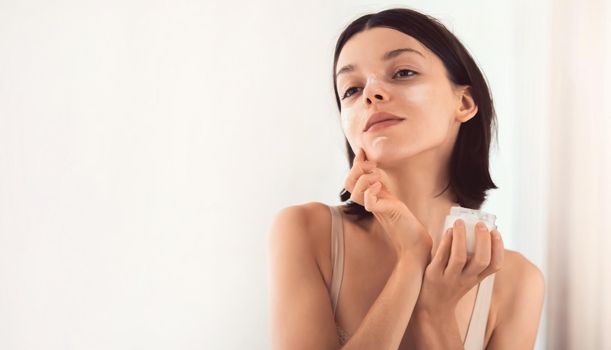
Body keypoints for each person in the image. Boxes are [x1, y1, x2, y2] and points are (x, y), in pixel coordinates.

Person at [267, 7, 545, 350]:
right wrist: (411, 260)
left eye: (403, 72)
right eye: (351, 89)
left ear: (464, 102)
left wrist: (436, 313)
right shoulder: (306, 231)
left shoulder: (517, 282)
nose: (371, 93)